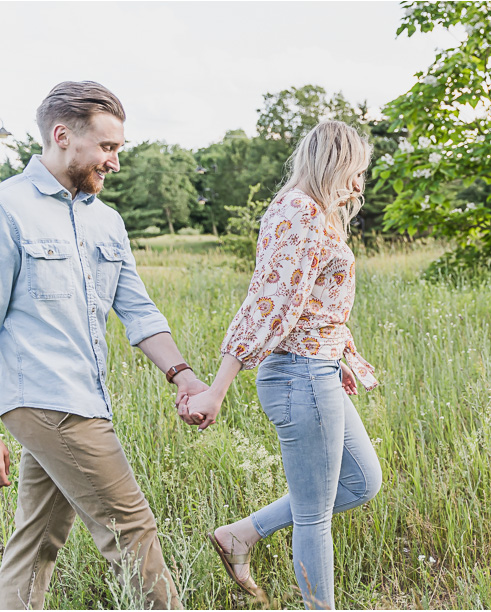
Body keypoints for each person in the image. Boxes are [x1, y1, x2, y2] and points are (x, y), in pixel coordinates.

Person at [0, 81, 208, 610]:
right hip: (47, 398)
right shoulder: (9, 209)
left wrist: (183, 375)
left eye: (119, 148)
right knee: (131, 528)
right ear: (62, 135)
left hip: (83, 395)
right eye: (107, 147)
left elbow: (136, 309)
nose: (115, 161)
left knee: (38, 539)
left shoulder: (105, 221)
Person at [182, 120, 382, 609]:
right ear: (332, 164)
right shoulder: (297, 211)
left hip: (319, 370)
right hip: (300, 375)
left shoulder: (317, 214)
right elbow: (269, 303)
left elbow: (315, 304)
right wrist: (217, 388)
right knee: (315, 515)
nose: (359, 186)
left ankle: (241, 535)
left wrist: (345, 356)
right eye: (354, 173)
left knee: (361, 480)